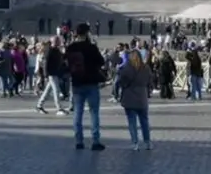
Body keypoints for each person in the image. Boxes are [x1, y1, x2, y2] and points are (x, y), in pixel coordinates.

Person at [65, 22, 107, 151]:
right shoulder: (91, 47)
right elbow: (101, 62)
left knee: (78, 112)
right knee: (94, 113)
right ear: (87, 33)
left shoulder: (70, 48)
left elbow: (66, 63)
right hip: (91, 83)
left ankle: (79, 141)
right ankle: (95, 141)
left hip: (77, 83)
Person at [117, 49, 153, 151]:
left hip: (129, 97)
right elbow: (150, 81)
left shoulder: (127, 69)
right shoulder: (146, 68)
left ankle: (135, 143)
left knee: (132, 122)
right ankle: (147, 142)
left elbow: (121, 82)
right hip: (142, 97)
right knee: (144, 121)